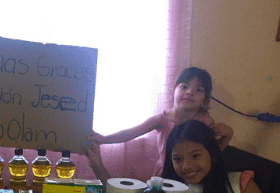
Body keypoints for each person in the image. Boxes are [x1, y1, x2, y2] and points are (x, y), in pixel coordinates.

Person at [85, 67, 234, 182]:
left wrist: (228, 134)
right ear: (173, 90)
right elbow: (131, 132)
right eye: (184, 86)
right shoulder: (162, 119)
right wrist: (104, 139)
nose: (190, 92)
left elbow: (212, 154)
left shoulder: (206, 122)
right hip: (165, 176)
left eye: (198, 90)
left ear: (205, 100)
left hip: (193, 174)